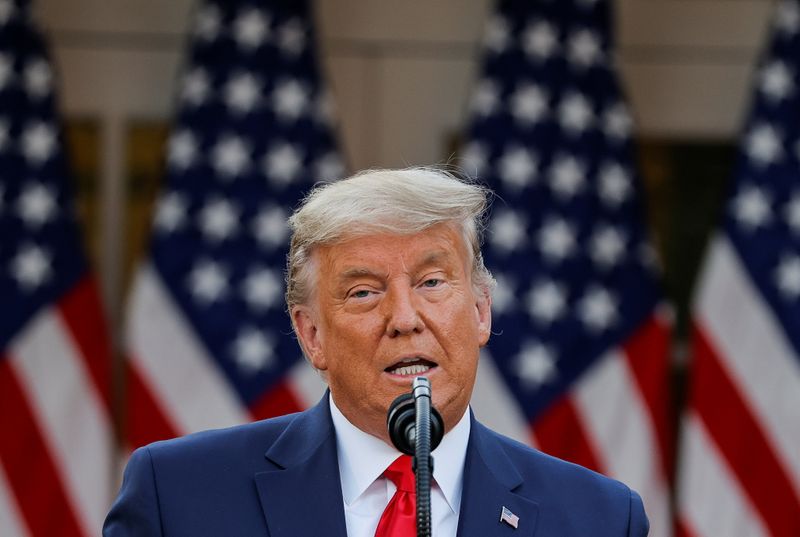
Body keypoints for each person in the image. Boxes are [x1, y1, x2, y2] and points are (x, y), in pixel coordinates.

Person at [104, 167, 649, 536]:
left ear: (482, 311)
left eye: (433, 282)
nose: (406, 319)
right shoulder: (177, 497)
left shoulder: (599, 519)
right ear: (311, 334)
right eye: (364, 292)